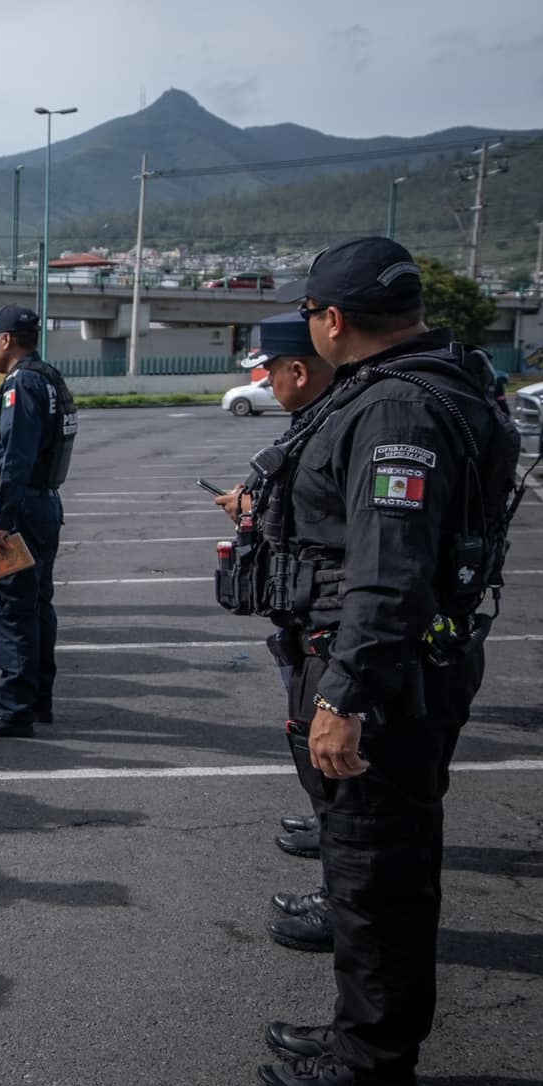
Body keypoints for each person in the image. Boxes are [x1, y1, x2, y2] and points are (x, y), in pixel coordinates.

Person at [234, 239, 515, 1086]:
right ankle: (361, 1033)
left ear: (331, 320)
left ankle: (374, 1066)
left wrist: (344, 696)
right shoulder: (420, 383)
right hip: (390, 658)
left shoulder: (396, 408)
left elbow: (389, 573)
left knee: (374, 866)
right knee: (370, 861)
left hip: (379, 669)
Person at [210, 313, 340, 950]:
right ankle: (334, 848)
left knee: (353, 785)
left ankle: (346, 901)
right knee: (327, 774)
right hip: (311, 623)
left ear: (298, 369)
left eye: (267, 372)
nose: (263, 382)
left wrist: (251, 513)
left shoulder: (348, 422)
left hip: (335, 634)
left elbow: (336, 542)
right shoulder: (323, 418)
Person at [0, 305, 76, 738]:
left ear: (7, 340)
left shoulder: (21, 384)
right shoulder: (48, 377)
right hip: (43, 503)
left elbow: (17, 456)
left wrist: (1, 521)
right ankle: (37, 698)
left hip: (21, 508)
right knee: (35, 606)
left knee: (12, 608)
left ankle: (15, 707)